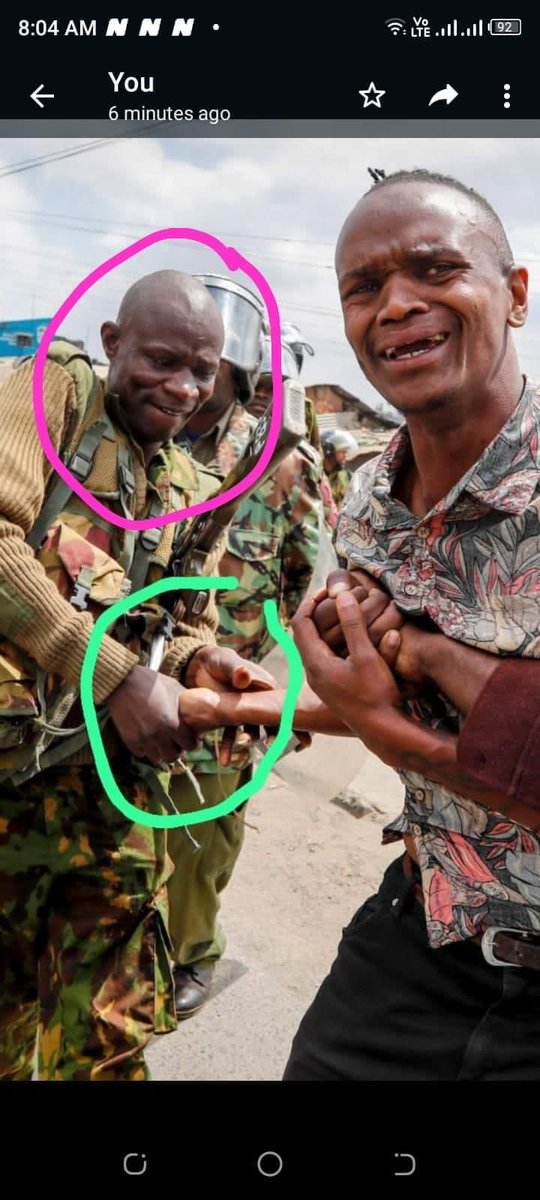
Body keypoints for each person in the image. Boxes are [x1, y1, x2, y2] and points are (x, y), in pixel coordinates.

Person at [183, 171, 540, 1080]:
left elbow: (401, 722)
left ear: (515, 294)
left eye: (436, 268)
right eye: (364, 286)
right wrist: (247, 705)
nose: (398, 304)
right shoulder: (371, 503)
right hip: (424, 936)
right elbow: (387, 701)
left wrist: (404, 701)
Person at [0, 269, 274, 1081]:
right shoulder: (56, 391)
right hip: (11, 778)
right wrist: (117, 677)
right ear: (114, 343)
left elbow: (182, 623)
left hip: (103, 790)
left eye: (203, 372)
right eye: (162, 361)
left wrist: (202, 661)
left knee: (110, 1032)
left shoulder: (188, 484)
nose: (184, 389)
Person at [168, 279, 326, 1017]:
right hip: (141, 671)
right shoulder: (157, 438)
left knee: (202, 833)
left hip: (231, 686)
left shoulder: (287, 467)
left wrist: (282, 695)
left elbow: (306, 591)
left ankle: (193, 954)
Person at [321, 429, 357, 508]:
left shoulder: (348, 477)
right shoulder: (316, 477)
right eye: (342, 451)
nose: (345, 455)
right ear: (329, 451)